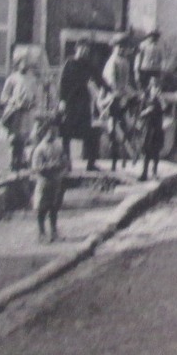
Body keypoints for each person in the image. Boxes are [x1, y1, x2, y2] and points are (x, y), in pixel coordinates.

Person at [58, 41, 108, 170]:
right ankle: (66, 163)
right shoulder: (69, 63)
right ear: (77, 49)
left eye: (87, 49)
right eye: (82, 48)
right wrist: (62, 101)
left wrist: (109, 89)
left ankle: (91, 164)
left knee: (90, 133)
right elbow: (63, 83)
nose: (84, 51)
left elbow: (99, 79)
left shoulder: (87, 64)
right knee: (66, 133)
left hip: (83, 103)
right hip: (70, 102)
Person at [0, 48, 42, 172]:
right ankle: (13, 162)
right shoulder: (12, 79)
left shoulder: (32, 79)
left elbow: (36, 97)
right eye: (22, 61)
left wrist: (32, 103)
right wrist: (13, 102)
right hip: (14, 112)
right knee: (14, 139)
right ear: (17, 63)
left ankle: (22, 162)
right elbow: (4, 97)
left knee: (25, 138)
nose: (25, 64)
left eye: (27, 62)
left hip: (27, 113)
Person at [29, 117, 70, 242]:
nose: (52, 133)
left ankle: (54, 231)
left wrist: (62, 169)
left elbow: (64, 161)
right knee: (42, 207)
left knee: (54, 207)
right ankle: (41, 233)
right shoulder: (40, 149)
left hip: (56, 180)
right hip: (44, 181)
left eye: (54, 131)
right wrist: (50, 166)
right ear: (44, 132)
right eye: (50, 131)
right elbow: (36, 167)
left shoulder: (58, 145)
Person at [103, 33, 139, 170]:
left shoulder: (125, 61)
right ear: (114, 47)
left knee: (127, 127)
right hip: (112, 99)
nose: (122, 50)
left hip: (123, 97)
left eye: (124, 47)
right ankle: (114, 163)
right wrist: (121, 95)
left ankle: (126, 159)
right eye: (120, 47)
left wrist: (133, 93)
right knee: (114, 131)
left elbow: (126, 82)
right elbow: (111, 84)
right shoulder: (112, 62)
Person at [138, 76, 168, 181]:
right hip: (147, 127)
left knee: (156, 151)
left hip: (157, 127)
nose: (155, 87)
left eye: (157, 85)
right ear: (150, 85)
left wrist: (160, 98)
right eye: (153, 84)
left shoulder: (160, 97)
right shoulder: (145, 97)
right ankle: (144, 174)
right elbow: (140, 113)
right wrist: (147, 110)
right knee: (146, 151)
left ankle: (154, 172)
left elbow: (165, 109)